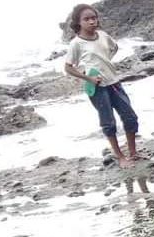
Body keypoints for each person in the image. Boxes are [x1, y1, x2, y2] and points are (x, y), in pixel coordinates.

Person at [63, 4, 139, 166]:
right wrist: (88, 78)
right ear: (78, 22)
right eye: (87, 19)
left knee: (130, 117)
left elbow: (114, 48)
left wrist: (105, 62)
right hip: (97, 87)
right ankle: (120, 156)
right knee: (108, 122)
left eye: (93, 18)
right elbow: (68, 68)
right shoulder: (76, 43)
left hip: (114, 82)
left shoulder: (103, 35)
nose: (91, 21)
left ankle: (133, 152)